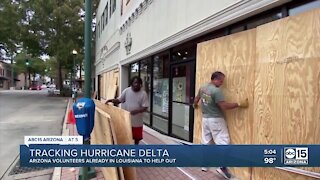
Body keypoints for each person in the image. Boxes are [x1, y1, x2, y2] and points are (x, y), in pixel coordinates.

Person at [193, 71, 249, 179]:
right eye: (221, 81)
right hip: (216, 120)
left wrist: (195, 105)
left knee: (206, 141)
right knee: (223, 142)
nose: (222, 83)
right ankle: (222, 167)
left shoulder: (203, 87)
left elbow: (196, 99)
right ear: (215, 79)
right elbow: (224, 106)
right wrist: (239, 104)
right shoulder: (216, 91)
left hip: (205, 119)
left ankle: (204, 165)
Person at [105, 76, 149, 145]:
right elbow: (119, 100)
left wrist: (137, 111)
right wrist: (111, 100)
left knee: (137, 138)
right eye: (135, 83)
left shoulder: (143, 94)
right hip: (127, 120)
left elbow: (145, 107)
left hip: (137, 122)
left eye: (138, 83)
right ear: (132, 83)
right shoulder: (127, 91)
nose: (136, 84)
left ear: (140, 84)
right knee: (126, 136)